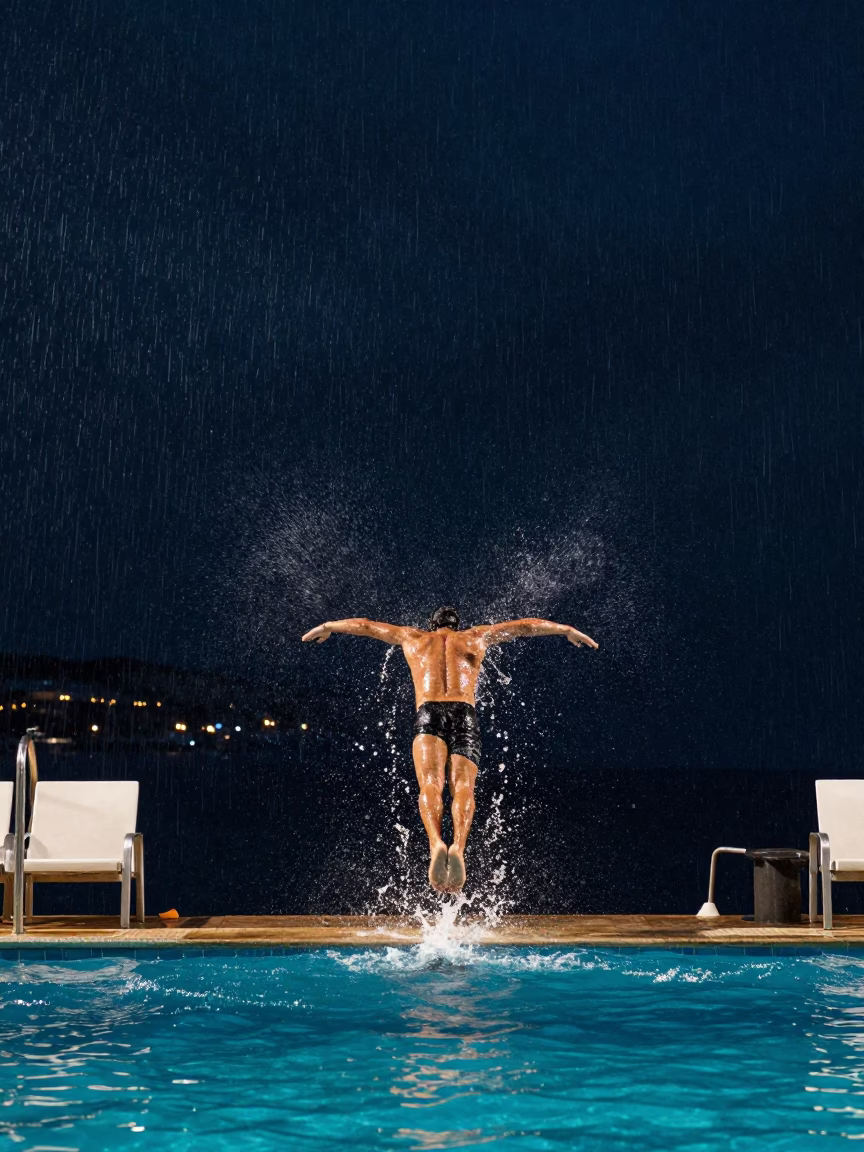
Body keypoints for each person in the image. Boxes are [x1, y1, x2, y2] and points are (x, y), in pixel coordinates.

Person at [302, 608, 598, 893]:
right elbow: (524, 626)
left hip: (428, 712)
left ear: (432, 625)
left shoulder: (413, 637)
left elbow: (366, 625)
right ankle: (458, 846)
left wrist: (329, 626)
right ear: (457, 625)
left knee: (430, 784)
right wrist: (566, 630)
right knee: (463, 787)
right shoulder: (476, 636)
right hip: (464, 713)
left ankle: (436, 844)